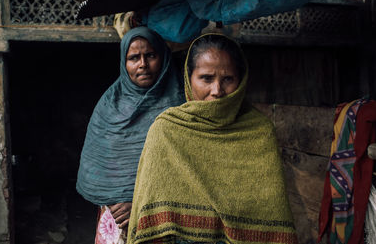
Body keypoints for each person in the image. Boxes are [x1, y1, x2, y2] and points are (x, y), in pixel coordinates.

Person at [126, 33, 298, 244]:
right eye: (206, 78)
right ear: (189, 79)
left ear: (241, 80)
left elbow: (271, 213)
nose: (217, 91)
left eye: (228, 79)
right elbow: (152, 219)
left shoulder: (259, 132)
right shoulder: (166, 130)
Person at [76, 27, 184, 244]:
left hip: (164, 217)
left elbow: (184, 170)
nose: (143, 64)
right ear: (124, 64)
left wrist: (140, 202)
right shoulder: (109, 106)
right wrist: (119, 198)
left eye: (150, 56)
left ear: (162, 58)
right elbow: (98, 167)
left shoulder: (180, 106)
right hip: (118, 219)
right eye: (134, 58)